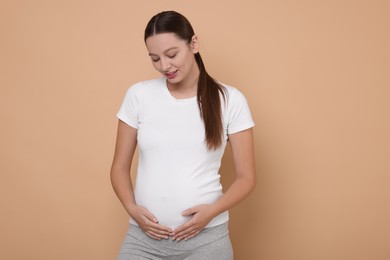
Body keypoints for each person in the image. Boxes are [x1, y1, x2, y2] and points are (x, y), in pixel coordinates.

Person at [110, 10, 256, 260]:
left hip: (206, 242)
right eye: (155, 58)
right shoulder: (139, 95)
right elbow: (119, 167)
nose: (164, 66)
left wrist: (209, 214)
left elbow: (246, 177)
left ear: (194, 44)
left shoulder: (230, 100)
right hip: (144, 240)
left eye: (172, 54)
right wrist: (132, 209)